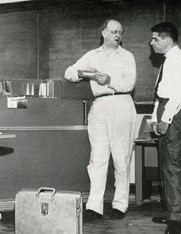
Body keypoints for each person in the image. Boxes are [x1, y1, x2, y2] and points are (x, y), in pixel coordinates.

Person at [64, 19, 136, 221]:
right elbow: (69, 73)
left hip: (120, 103)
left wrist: (109, 80)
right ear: (103, 33)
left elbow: (129, 83)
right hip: (99, 106)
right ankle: (94, 206)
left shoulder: (127, 56)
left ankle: (120, 205)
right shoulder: (92, 55)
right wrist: (88, 74)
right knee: (97, 158)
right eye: (113, 31)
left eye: (120, 32)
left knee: (121, 158)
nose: (117, 35)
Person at [149, 22, 181, 234]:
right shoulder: (169, 60)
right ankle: (175, 212)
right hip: (169, 110)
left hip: (176, 114)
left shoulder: (180, 59)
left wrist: (166, 119)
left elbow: (178, 94)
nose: (151, 43)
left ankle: (176, 220)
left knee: (172, 168)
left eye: (155, 39)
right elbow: (161, 94)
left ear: (167, 39)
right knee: (168, 167)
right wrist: (154, 117)